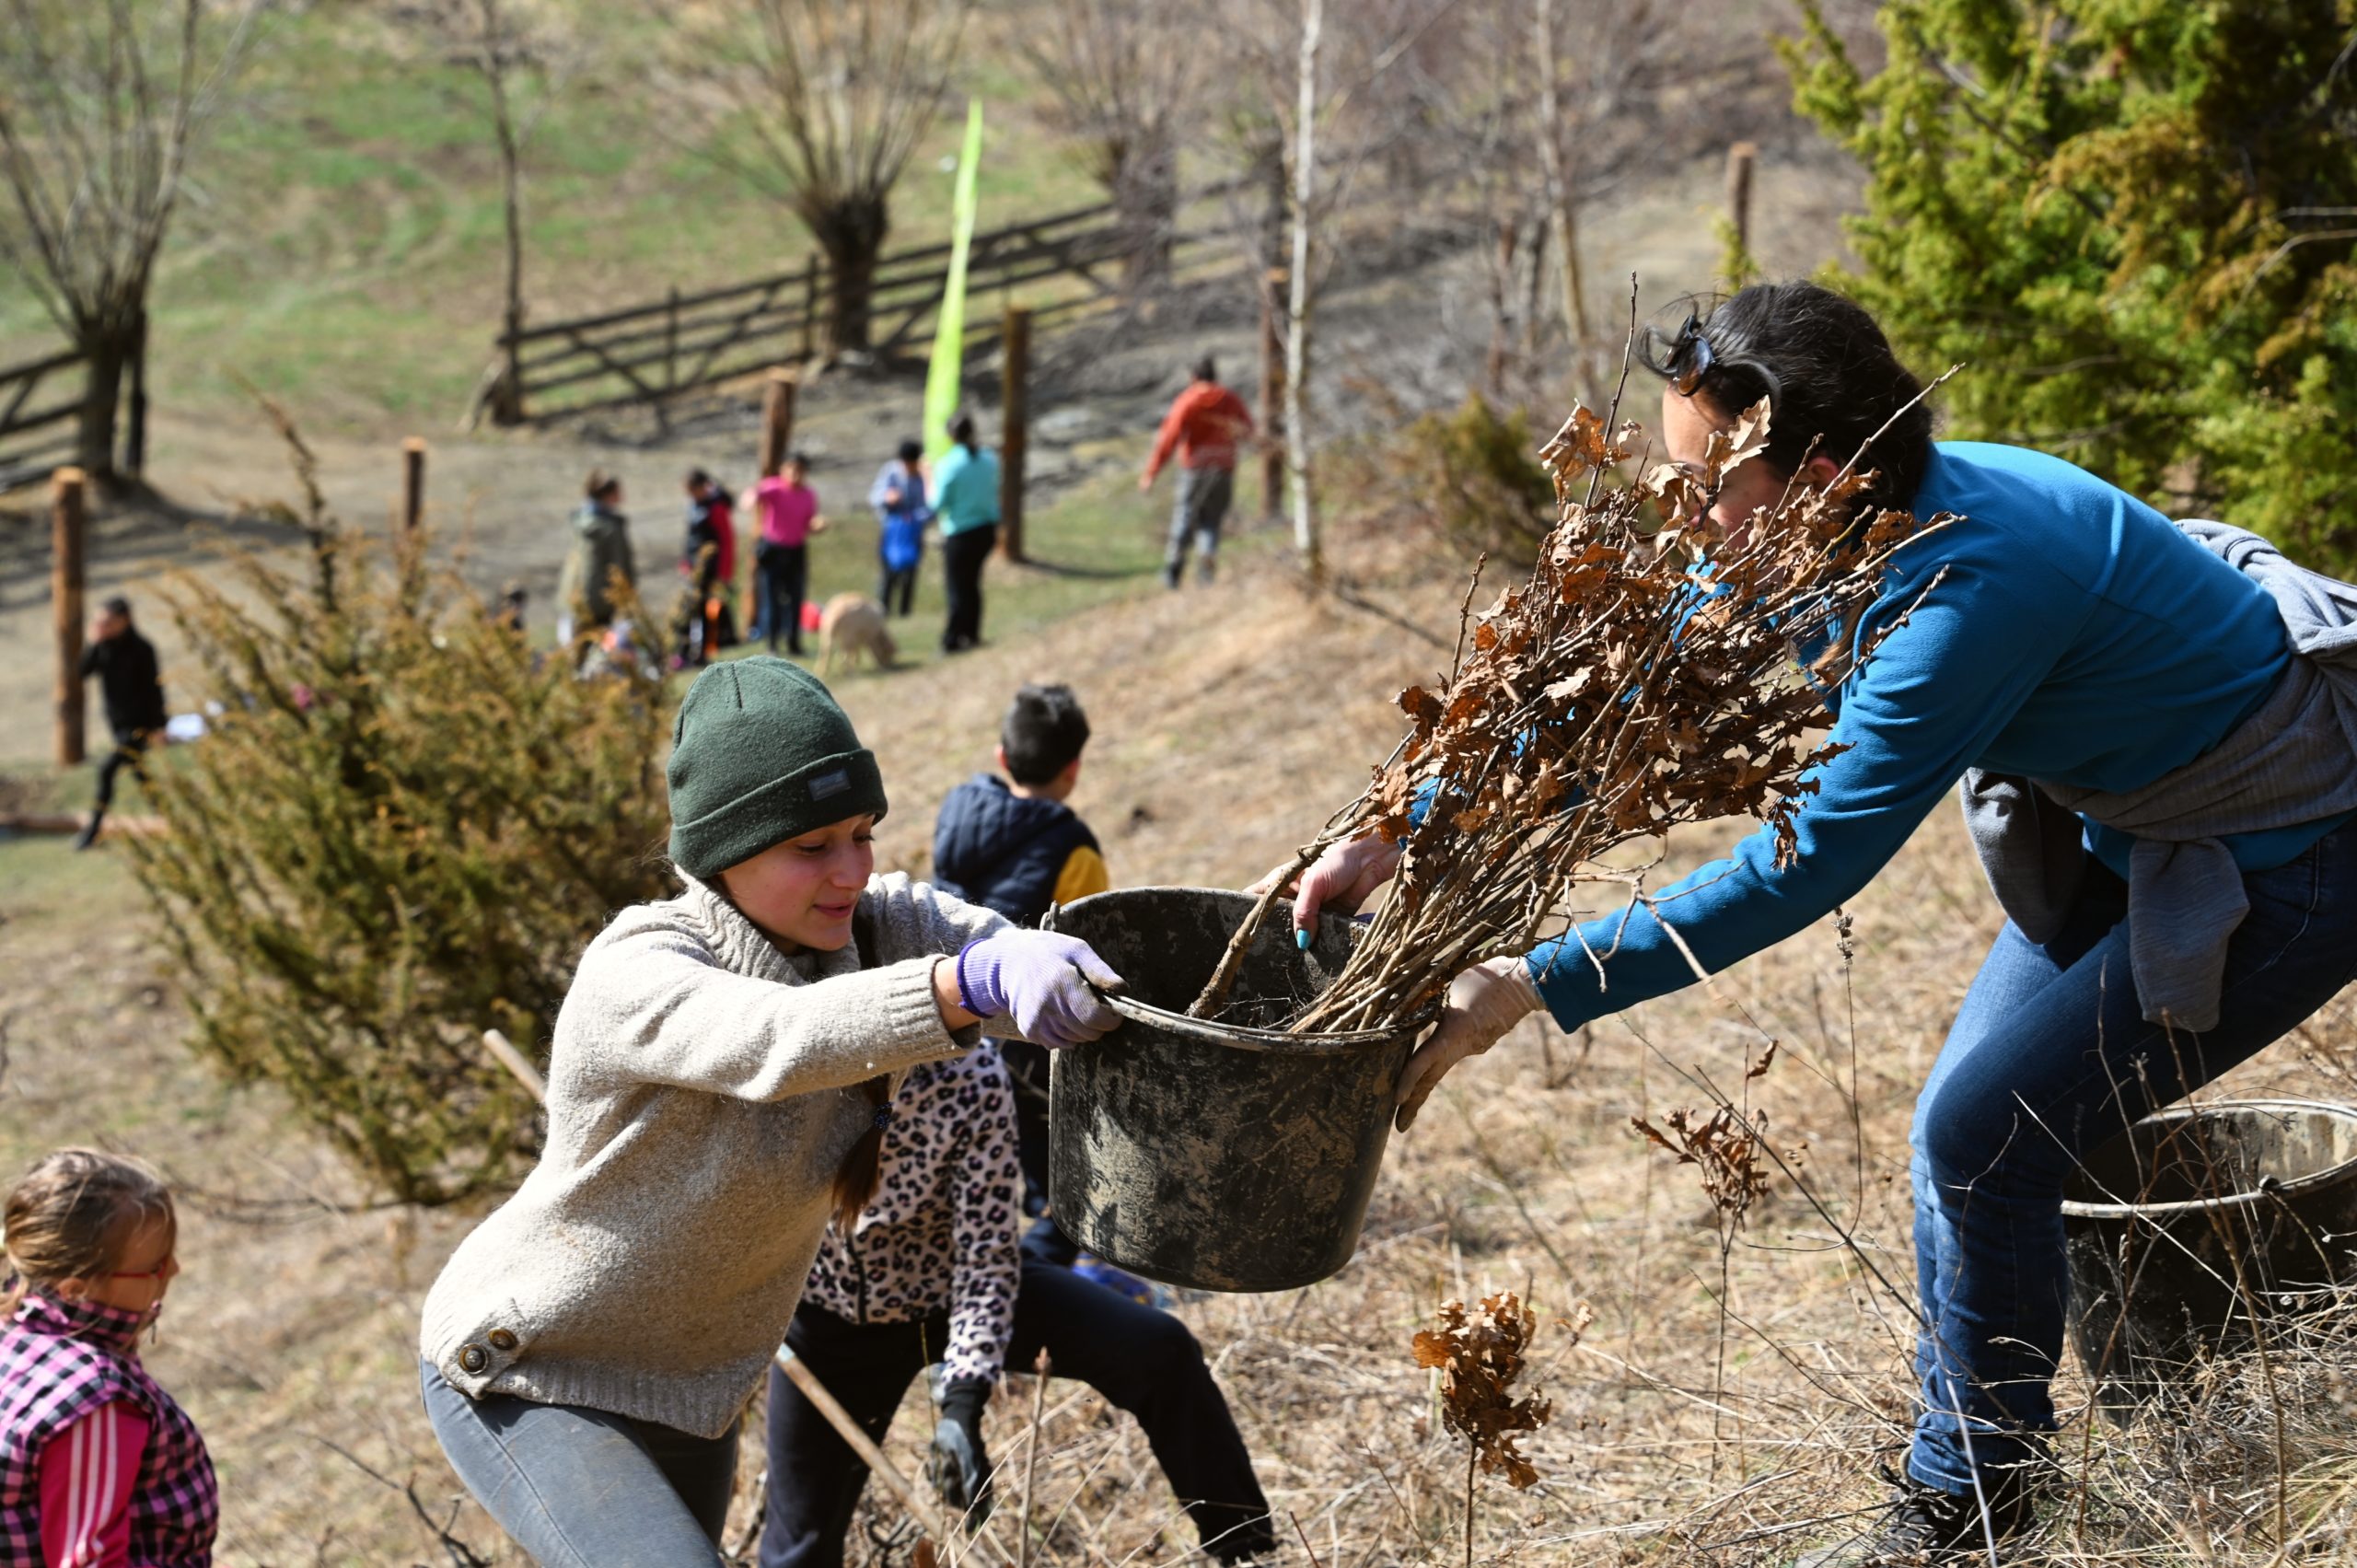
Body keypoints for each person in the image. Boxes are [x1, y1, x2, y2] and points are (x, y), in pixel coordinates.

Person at [1260, 279, 2357, 1566]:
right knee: (1964, 1134)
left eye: (1702, 480)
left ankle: (1971, 1504)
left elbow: (1803, 865)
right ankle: (1970, 1458)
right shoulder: (1818, 533)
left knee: (1979, 1131)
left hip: (2288, 850)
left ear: (1817, 473)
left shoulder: (1961, 593)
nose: (1682, 514)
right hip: (2130, 820)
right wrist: (1404, 826)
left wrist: (1531, 979)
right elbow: (1619, 685)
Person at [418, 656, 1125, 1568]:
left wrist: (1030, 955)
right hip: (536, 1369)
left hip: (692, 1392)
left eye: (862, 832)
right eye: (812, 844)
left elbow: (985, 940)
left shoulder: (876, 924)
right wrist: (963, 986)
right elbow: (776, 1038)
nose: (850, 869)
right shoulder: (638, 968)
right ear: (725, 850)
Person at [759, 1040, 1278, 1568]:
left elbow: (985, 1257)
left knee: (1160, 1351)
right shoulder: (790, 1067)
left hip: (953, 1287)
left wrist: (963, 1404)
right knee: (799, 1546)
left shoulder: (970, 1071)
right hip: (828, 1326)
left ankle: (1247, 1552)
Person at [931, 684, 1110, 1269]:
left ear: (1002, 756)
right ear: (1074, 768)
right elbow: (1087, 960)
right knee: (1060, 1192)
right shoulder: (1074, 850)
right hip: (1030, 1041)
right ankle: (1033, 1280)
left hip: (949, 1012)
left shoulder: (958, 810)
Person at [0, 1148, 218, 1566]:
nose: (173, 1270)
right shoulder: (94, 1399)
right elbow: (90, 1558)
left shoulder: (18, 1339)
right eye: (153, 1266)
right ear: (75, 1287)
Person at [1140, 354, 1253, 589]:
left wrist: (1151, 473)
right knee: (1211, 520)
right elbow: (1248, 430)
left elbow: (1168, 440)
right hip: (1223, 467)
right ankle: (1206, 564)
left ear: (1193, 377)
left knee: (1185, 515)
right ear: (1215, 376)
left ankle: (1174, 568)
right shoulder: (1230, 400)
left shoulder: (1187, 401)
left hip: (1194, 468)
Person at [74, 596, 167, 851]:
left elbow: (154, 689)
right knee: (142, 776)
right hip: (117, 726)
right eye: (99, 622)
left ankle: (91, 833)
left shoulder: (142, 649)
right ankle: (174, 821)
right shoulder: (105, 647)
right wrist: (93, 643)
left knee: (106, 770)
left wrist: (159, 726)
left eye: (107, 622)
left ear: (124, 620)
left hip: (139, 726)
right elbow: (83, 671)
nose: (102, 626)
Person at [745, 454, 827, 657]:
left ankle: (794, 642)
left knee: (796, 597)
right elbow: (752, 495)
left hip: (796, 550)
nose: (794, 473)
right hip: (773, 549)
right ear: (783, 469)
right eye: (790, 468)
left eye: (799, 469)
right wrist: (751, 499)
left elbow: (809, 523)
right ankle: (772, 643)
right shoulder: (773, 487)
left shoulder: (808, 494)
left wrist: (818, 525)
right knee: (771, 598)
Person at [932, 415, 1002, 654]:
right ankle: (971, 633)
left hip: (961, 533)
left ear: (951, 436)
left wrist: (925, 476)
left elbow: (936, 502)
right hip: (987, 530)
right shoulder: (989, 458)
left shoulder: (949, 464)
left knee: (958, 588)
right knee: (972, 584)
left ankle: (952, 639)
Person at [555, 470, 635, 645]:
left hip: (576, 594)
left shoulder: (581, 521)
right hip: (604, 599)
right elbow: (619, 566)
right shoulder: (610, 528)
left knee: (580, 645)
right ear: (608, 495)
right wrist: (627, 593)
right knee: (599, 648)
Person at [673, 469, 738, 669]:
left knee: (700, 611)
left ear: (702, 487)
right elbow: (690, 539)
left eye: (692, 490)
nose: (690, 495)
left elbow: (727, 540)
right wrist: (685, 563)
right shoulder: (694, 506)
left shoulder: (716, 508)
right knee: (686, 610)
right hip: (693, 568)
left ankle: (699, 653)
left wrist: (724, 572)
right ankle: (682, 653)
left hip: (708, 568)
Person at [868, 439, 931, 618]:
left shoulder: (924, 476)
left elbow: (931, 506)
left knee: (910, 574)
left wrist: (914, 518)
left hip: (913, 533)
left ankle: (905, 612)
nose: (907, 467)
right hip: (890, 532)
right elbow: (874, 497)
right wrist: (887, 498)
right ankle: (883, 610)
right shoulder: (891, 471)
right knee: (888, 573)